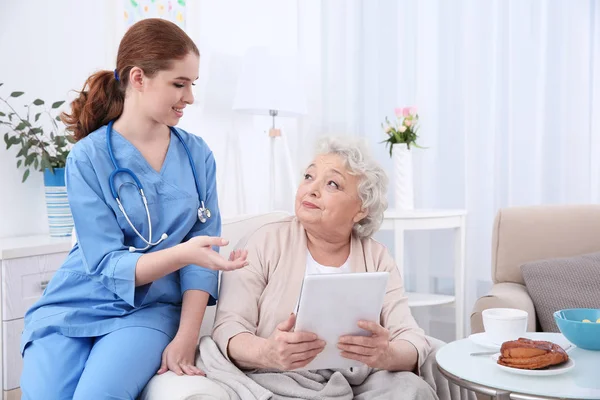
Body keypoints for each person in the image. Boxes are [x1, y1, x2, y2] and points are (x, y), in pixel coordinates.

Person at [19, 18, 248, 400]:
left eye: (192, 84)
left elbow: (200, 259)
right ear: (139, 78)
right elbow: (107, 263)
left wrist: (186, 338)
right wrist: (182, 253)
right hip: (75, 302)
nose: (190, 97)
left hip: (148, 309)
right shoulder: (87, 158)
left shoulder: (197, 156)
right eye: (179, 83)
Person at [211, 137, 437, 399]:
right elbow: (229, 327)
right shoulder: (263, 241)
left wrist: (386, 355)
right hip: (278, 378)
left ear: (360, 209)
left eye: (332, 183)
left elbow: (410, 336)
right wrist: (268, 352)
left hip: (358, 380)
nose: (312, 189)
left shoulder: (377, 257)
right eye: (308, 177)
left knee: (413, 389)